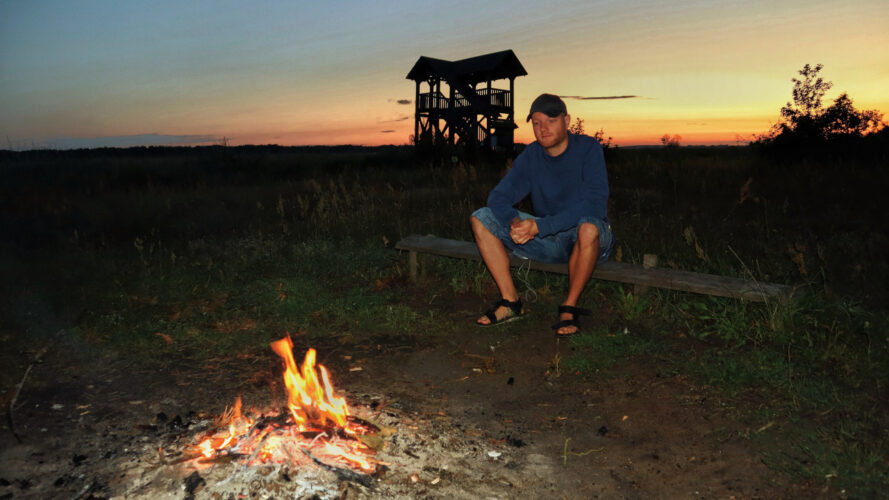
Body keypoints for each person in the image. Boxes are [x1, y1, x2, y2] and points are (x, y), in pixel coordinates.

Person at [471, 93, 614, 336]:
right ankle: (511, 303)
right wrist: (515, 223)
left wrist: (539, 227)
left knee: (588, 226)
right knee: (481, 218)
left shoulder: (588, 149)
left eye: (551, 120)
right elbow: (498, 197)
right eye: (536, 123)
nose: (543, 128)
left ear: (567, 121)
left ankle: (569, 307)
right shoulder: (532, 155)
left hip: (591, 241)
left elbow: (595, 205)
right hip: (550, 241)